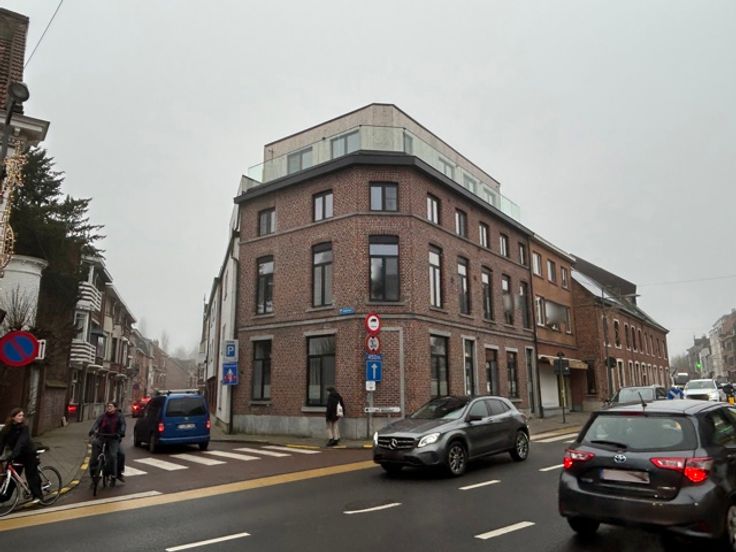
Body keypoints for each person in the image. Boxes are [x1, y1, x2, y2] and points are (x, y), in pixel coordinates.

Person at [0, 408, 42, 504]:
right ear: (13, 417)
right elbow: (1, 444)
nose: (21, 417)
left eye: (22, 415)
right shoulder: (6, 429)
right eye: (19, 415)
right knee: (11, 475)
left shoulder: (24, 428)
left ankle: (38, 496)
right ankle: (5, 496)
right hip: (17, 455)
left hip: (28, 454)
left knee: (31, 474)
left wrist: (13, 454)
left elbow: (21, 442)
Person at [88, 402, 126, 483]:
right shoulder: (102, 416)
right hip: (102, 437)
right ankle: (94, 473)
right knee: (94, 450)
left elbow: (123, 425)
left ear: (115, 408)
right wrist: (92, 430)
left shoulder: (119, 416)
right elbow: (96, 423)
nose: (109, 408)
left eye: (111, 406)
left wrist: (121, 432)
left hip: (113, 438)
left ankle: (115, 474)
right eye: (108, 406)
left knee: (114, 455)